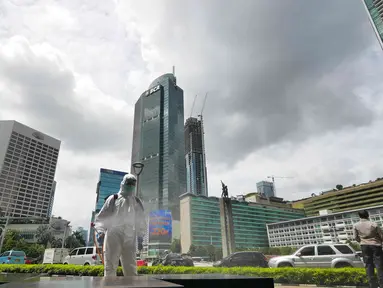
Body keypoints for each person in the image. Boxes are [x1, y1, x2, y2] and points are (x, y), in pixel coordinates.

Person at [94, 173, 146, 277]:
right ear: (123, 184)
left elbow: (141, 220)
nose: (130, 186)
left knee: (131, 268)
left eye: (132, 184)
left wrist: (141, 235)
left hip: (130, 237)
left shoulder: (136, 202)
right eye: (128, 183)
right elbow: (102, 218)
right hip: (113, 235)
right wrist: (100, 232)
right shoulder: (114, 199)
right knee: (110, 267)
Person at [354, 210, 383, 288]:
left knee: (368, 265)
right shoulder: (373, 224)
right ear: (368, 215)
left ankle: (372, 285)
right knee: (379, 265)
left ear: (359, 216)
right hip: (376, 246)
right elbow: (381, 236)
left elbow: (355, 237)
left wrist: (362, 241)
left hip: (364, 246)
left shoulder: (356, 225)